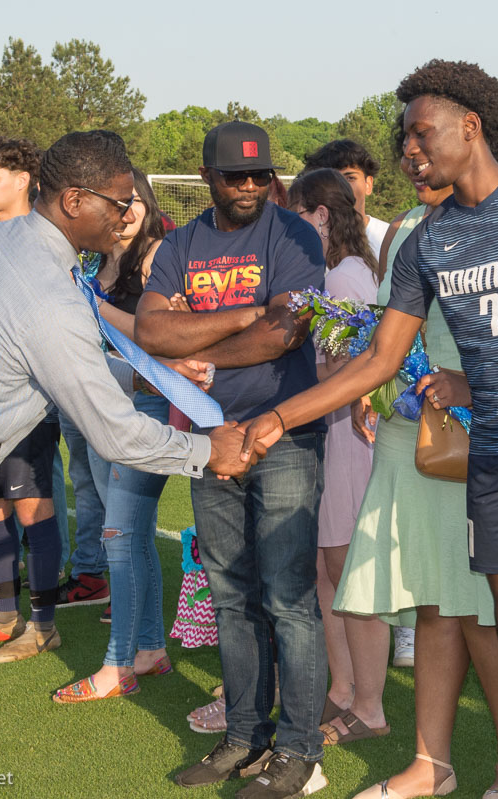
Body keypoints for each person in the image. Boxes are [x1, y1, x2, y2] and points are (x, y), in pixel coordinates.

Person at [239, 60, 498, 799]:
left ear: (472, 126)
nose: (408, 151)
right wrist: (276, 416)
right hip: (490, 460)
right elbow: (380, 359)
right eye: (403, 139)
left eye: (420, 134)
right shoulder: (427, 241)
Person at [0, 129, 254, 799]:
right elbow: (116, 435)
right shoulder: (50, 292)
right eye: (118, 204)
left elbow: (53, 367)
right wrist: (211, 452)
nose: (127, 216)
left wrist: (151, 379)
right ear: (73, 201)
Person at [341, 147, 498, 799]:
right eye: (407, 157)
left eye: (427, 154)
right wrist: (372, 381)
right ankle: (430, 764)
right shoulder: (409, 232)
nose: (413, 168)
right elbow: (389, 333)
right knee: (435, 603)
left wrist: (472, 385)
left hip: (484, 437)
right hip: (412, 439)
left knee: (487, 608)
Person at [135, 120, 330, 798]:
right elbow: (151, 329)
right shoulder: (182, 243)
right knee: (229, 593)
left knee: (288, 596)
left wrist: (196, 348)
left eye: (258, 175)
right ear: (207, 177)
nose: (248, 186)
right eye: (233, 176)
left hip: (284, 435)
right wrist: (248, 311)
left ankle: (301, 748)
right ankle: (246, 735)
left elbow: (287, 332)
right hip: (208, 437)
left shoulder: (293, 235)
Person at [54, 168, 177, 701]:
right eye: (117, 206)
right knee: (130, 535)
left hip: (141, 407)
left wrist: (94, 307)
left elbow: (157, 337)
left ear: (146, 204)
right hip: (102, 406)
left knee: (120, 539)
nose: (125, 216)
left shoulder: (159, 257)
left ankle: (116, 665)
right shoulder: (97, 261)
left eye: (133, 204)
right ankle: (149, 649)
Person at [285, 168, 390, 747]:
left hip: (351, 438)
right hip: (333, 436)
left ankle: (370, 706)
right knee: (331, 573)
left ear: (321, 215)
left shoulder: (347, 277)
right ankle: (344, 690)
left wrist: (303, 365)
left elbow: (358, 369)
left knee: (352, 575)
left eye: (297, 214)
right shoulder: (335, 273)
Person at [0, 138, 72, 660]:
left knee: (32, 507)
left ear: (25, 181)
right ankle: (3, 611)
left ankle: (43, 624)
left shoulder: (43, 244)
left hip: (26, 404)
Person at [303, 139, 391, 270]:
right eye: (331, 180)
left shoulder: (391, 238)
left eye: (350, 178)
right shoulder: (305, 246)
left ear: (368, 184)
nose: (341, 187)